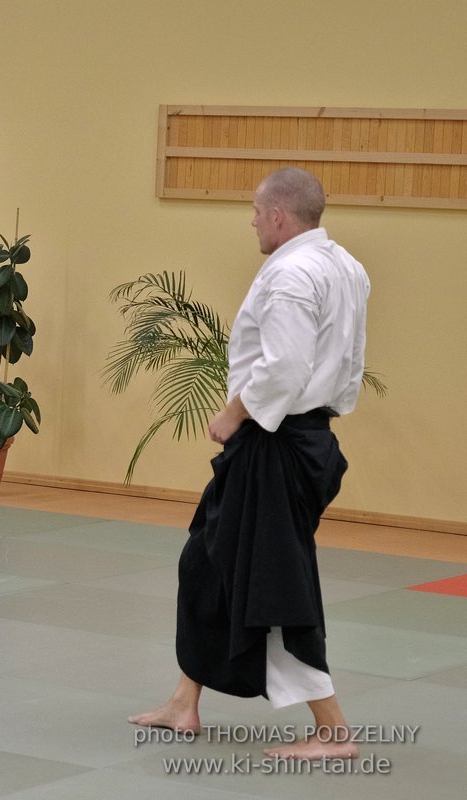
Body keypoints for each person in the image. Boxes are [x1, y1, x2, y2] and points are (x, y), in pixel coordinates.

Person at [128, 167, 371, 760]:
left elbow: (285, 367)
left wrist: (234, 415)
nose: (253, 223)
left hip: (275, 443)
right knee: (208, 563)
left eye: (257, 213)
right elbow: (347, 360)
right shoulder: (346, 265)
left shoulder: (291, 273)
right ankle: (185, 700)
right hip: (301, 440)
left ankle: (334, 730)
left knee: (272, 584)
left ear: (280, 216)